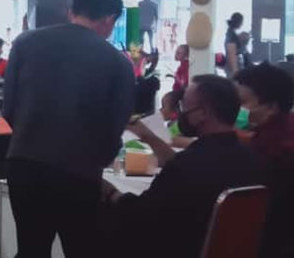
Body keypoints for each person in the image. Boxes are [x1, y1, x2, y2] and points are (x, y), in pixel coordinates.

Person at [2, 0, 134, 258]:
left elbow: (10, 109)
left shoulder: (25, 43)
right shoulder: (118, 63)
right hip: (78, 171)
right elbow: (115, 126)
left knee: (31, 249)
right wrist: (98, 162)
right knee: (81, 248)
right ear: (109, 20)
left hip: (24, 163)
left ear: (71, 11)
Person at [106, 75, 263, 258]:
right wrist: (148, 136)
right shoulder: (251, 159)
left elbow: (140, 216)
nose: (181, 113)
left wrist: (110, 192)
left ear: (203, 113)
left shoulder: (188, 165)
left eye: (183, 106)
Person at [233, 64, 294, 258]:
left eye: (242, 102)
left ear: (272, 107)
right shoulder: (275, 131)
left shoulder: (278, 148)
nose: (236, 108)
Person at [224, 13, 244, 77]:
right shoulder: (231, 34)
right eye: (241, 22)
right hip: (233, 66)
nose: (242, 24)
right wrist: (235, 71)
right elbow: (231, 52)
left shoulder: (231, 33)